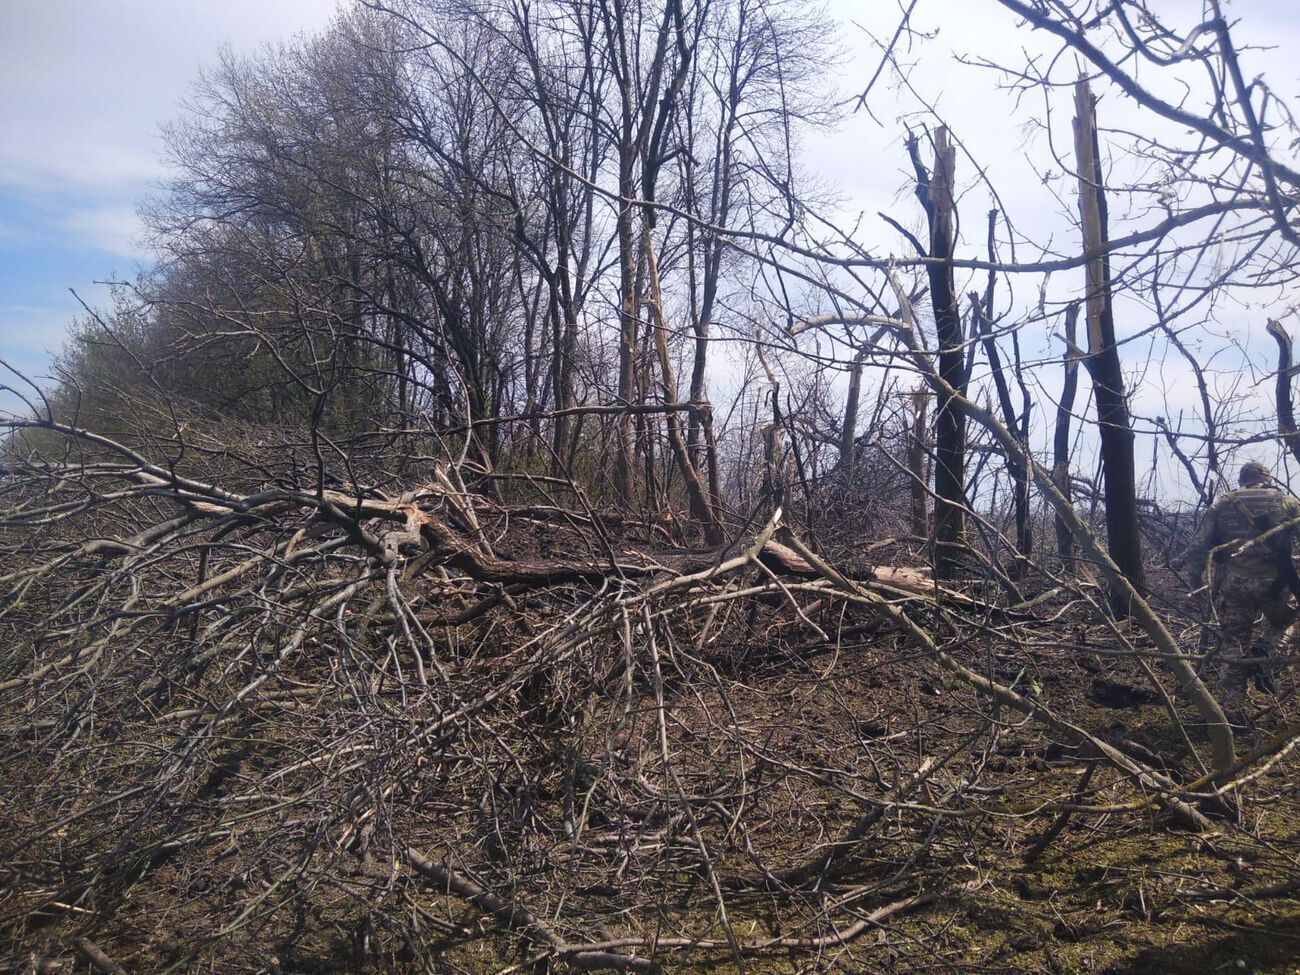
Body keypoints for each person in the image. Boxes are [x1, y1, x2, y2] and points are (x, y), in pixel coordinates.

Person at [1182, 461, 1300, 721]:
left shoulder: (1223, 504)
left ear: (1242, 481)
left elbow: (1199, 544)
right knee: (1287, 622)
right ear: (1267, 479)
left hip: (1235, 586)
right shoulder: (1287, 502)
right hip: (1275, 586)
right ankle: (1267, 655)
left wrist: (1194, 579)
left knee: (1233, 643)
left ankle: (1233, 711)